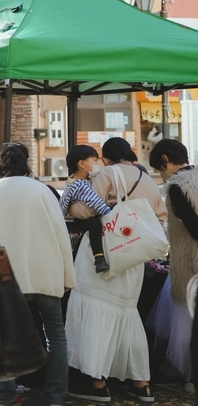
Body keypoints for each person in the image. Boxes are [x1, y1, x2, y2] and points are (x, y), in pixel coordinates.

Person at [65, 136, 167, 403]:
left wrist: (73, 207)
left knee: (95, 307)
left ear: (107, 159)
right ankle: (141, 383)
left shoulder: (108, 173)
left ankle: (98, 384)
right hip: (132, 256)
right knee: (126, 314)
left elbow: (87, 209)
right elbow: (158, 218)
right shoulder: (147, 178)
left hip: (104, 254)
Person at [0, 143, 76, 406]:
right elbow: (61, 236)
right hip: (45, 271)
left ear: (0, 164)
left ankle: (4, 395)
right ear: (26, 164)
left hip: (4, 276)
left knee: (4, 336)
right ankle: (56, 396)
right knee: (55, 333)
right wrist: (68, 276)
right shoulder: (43, 191)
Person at [148, 139, 197, 383]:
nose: (161, 175)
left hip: (189, 263)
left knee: (188, 325)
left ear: (165, 160)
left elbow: (193, 227)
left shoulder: (178, 186)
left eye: (159, 168)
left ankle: (191, 379)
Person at [60, 145, 111, 273]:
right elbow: (94, 201)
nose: (97, 163)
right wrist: (109, 213)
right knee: (95, 225)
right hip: (84, 220)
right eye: (94, 160)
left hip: (77, 220)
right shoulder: (79, 184)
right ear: (82, 163)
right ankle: (99, 258)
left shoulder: (77, 180)